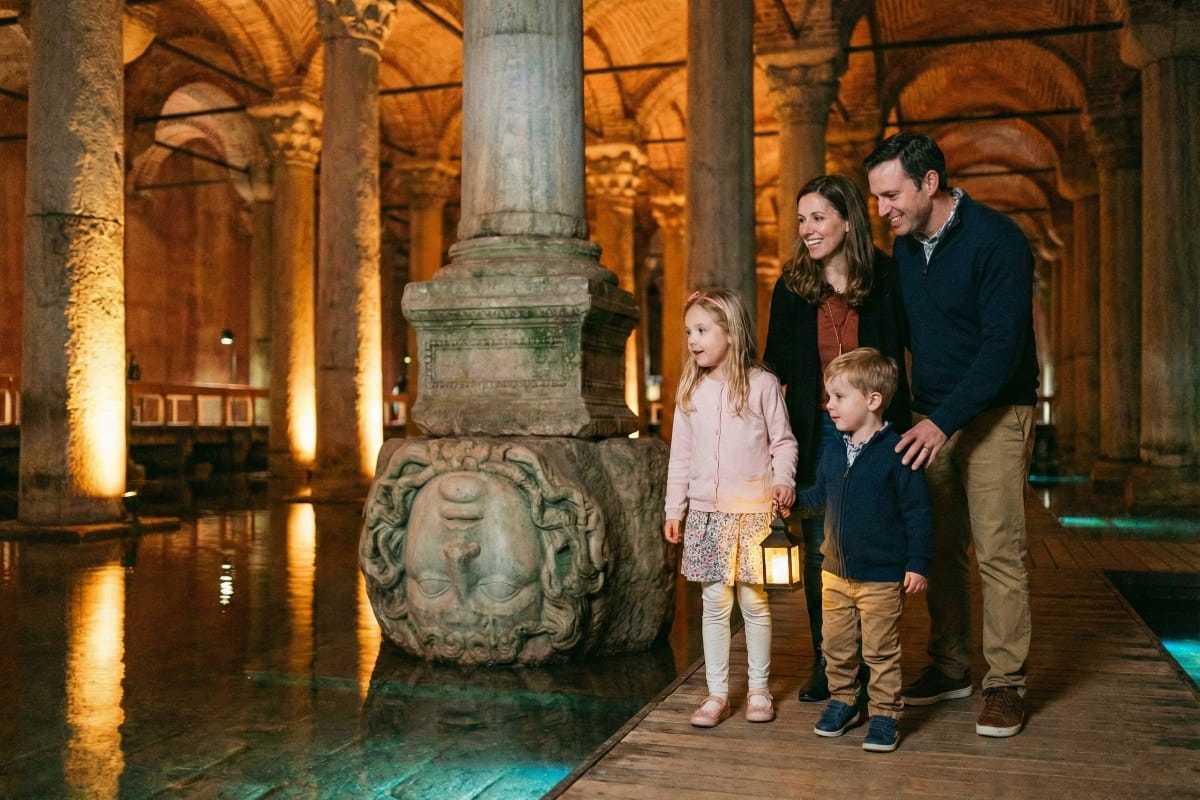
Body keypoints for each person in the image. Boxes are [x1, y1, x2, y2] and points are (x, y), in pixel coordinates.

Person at [864, 132, 1040, 738]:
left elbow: (1002, 349)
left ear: (930, 183)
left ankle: (1006, 684)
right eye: (877, 198)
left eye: (891, 195)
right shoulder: (909, 250)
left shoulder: (997, 240)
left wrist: (943, 421)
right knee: (937, 544)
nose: (882, 209)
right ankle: (951, 665)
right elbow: (911, 338)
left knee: (998, 551)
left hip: (996, 413)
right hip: (933, 416)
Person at [763, 174, 911, 704]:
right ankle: (829, 660)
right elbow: (774, 367)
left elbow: (909, 349)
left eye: (818, 217)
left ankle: (876, 662)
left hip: (879, 430)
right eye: (801, 219)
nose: (807, 229)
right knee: (823, 550)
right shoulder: (791, 287)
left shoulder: (889, 279)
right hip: (817, 427)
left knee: (873, 542)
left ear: (847, 221)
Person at [664, 287, 798, 728]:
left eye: (702, 330)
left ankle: (758, 690)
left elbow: (783, 442)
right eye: (689, 332)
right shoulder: (691, 391)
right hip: (706, 514)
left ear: (730, 331)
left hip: (755, 513)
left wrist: (783, 481)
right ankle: (717, 693)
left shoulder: (761, 385)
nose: (693, 341)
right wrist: (674, 509)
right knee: (714, 604)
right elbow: (680, 455)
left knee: (754, 604)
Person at [794, 347, 931, 752]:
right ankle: (844, 701)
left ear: (872, 401)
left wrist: (918, 563)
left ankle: (886, 713)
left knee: (881, 651)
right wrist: (794, 502)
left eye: (838, 397)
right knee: (834, 646)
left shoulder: (898, 453)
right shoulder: (834, 447)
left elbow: (918, 513)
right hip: (835, 572)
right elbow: (822, 492)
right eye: (828, 396)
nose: (828, 405)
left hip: (881, 577)